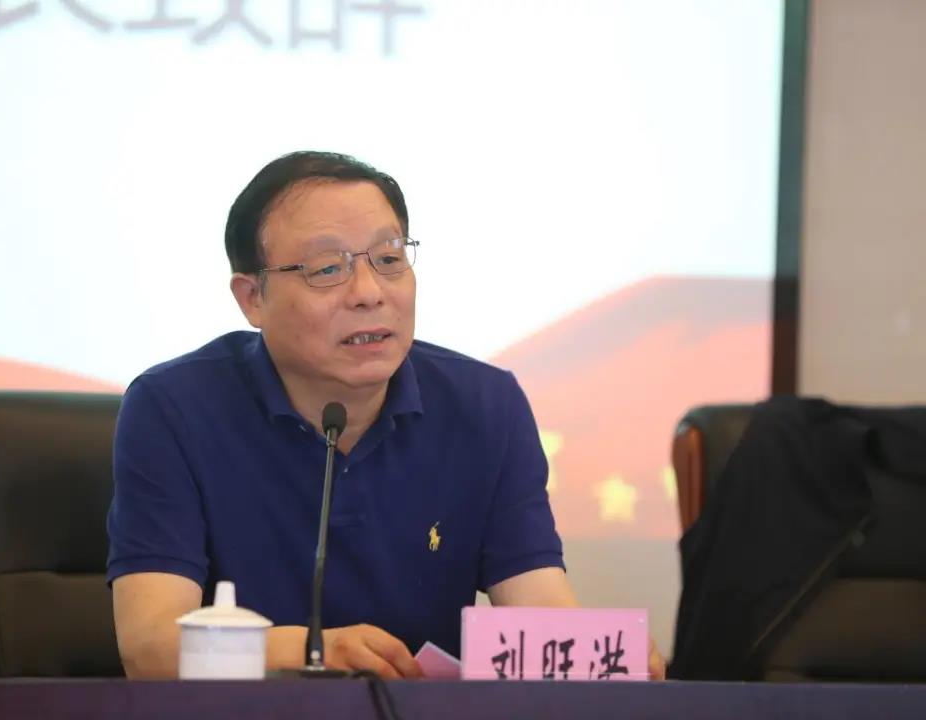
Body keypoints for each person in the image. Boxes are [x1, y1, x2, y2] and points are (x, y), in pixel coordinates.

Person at [106, 150, 665, 680]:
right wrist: (313, 651)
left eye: (390, 259)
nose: (369, 292)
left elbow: (538, 606)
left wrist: (602, 655)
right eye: (328, 268)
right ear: (252, 297)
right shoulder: (174, 407)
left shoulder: (486, 405)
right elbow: (149, 645)